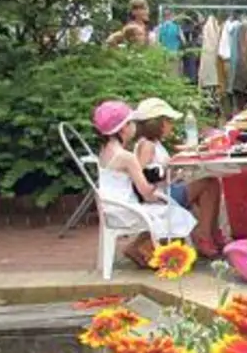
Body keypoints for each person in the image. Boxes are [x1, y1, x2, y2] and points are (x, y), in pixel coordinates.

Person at [91, 99, 196, 269]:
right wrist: (163, 181)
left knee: (170, 205)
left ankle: (145, 251)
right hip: (128, 211)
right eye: (131, 122)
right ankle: (161, 252)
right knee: (174, 211)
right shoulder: (126, 157)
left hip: (111, 209)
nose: (135, 126)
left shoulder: (105, 152)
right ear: (123, 128)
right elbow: (146, 192)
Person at [131, 97, 224, 258]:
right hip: (161, 196)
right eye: (168, 121)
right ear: (158, 123)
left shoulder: (152, 143)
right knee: (209, 183)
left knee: (207, 184)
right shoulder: (148, 146)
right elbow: (142, 175)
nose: (171, 125)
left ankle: (209, 233)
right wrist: (169, 169)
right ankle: (205, 235)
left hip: (165, 189)